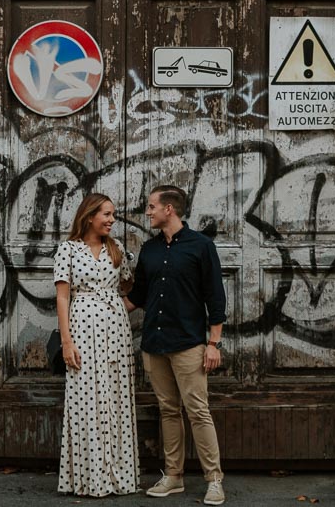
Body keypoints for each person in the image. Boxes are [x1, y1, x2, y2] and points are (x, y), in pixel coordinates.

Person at [125, 185, 227, 505]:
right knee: (168, 410)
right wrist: (96, 306)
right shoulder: (150, 249)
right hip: (154, 343)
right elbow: (138, 297)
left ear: (169, 209)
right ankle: (174, 476)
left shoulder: (201, 247)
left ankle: (214, 479)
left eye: (152, 206)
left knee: (198, 411)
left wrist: (213, 343)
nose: (148, 211)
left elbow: (216, 297)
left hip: (188, 344)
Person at [54, 192, 139, 497]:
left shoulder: (115, 250)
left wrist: (114, 308)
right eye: (106, 214)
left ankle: (118, 475)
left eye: (113, 215)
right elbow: (63, 297)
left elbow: (130, 288)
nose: (112, 220)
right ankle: (89, 477)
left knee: (115, 397)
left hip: (116, 333)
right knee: (86, 399)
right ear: (89, 216)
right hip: (81, 332)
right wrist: (66, 341)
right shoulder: (68, 250)